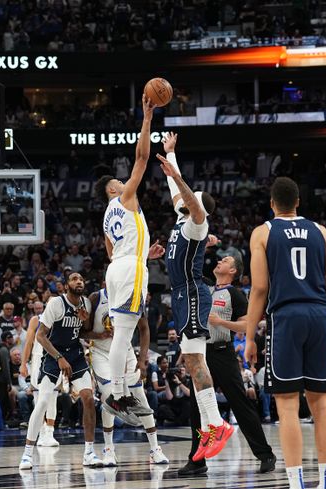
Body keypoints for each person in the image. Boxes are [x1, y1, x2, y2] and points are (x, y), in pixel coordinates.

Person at [245, 176, 326, 489]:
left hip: (286, 317)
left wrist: (248, 337)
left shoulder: (263, 232)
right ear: (298, 202)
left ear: (272, 204)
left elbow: (259, 288)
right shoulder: (321, 231)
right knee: (322, 406)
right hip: (319, 315)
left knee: (287, 406)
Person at [157, 135, 235, 463]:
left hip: (191, 292)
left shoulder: (197, 225)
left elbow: (186, 196)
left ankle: (217, 423)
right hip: (181, 294)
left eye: (191, 201)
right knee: (190, 362)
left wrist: (178, 177)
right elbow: (178, 194)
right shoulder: (182, 218)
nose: (184, 201)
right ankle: (208, 426)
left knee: (195, 361)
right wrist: (171, 154)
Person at [179, 254, 276, 476]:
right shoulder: (206, 289)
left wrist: (222, 322)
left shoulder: (234, 293)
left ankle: (265, 454)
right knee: (197, 407)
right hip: (201, 354)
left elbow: (247, 325)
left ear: (233, 271)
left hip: (223, 351)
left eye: (225, 260)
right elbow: (189, 268)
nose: (219, 261)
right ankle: (198, 460)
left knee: (239, 402)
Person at [94, 94, 157, 421]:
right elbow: (143, 157)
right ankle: (118, 394)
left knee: (123, 331)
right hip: (130, 268)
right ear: (113, 190)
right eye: (118, 182)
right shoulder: (125, 196)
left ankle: (118, 393)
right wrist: (147, 118)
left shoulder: (106, 216)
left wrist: (145, 252)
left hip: (118, 267)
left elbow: (111, 251)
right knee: (123, 334)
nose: (123, 181)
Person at [19, 272, 102, 470]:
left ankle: (89, 452)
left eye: (82, 278)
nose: (79, 281)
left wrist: (98, 332)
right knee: (43, 401)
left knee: (88, 399)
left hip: (75, 355)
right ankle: (27, 453)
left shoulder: (86, 305)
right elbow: (40, 336)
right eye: (74, 279)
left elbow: (84, 332)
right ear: (66, 286)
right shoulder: (56, 303)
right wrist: (59, 358)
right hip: (52, 355)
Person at [86, 286, 169, 467]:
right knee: (109, 396)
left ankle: (155, 449)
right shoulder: (95, 297)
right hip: (101, 353)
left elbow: (145, 329)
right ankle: (109, 449)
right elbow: (84, 331)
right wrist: (101, 335)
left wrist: (142, 361)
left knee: (140, 396)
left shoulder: (133, 297)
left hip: (127, 351)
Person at [19, 300, 58, 447]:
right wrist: (23, 364)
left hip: (55, 358)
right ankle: (41, 432)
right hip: (38, 358)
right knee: (39, 396)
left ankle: (50, 432)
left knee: (53, 396)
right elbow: (29, 342)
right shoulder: (36, 320)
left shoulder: (60, 319)